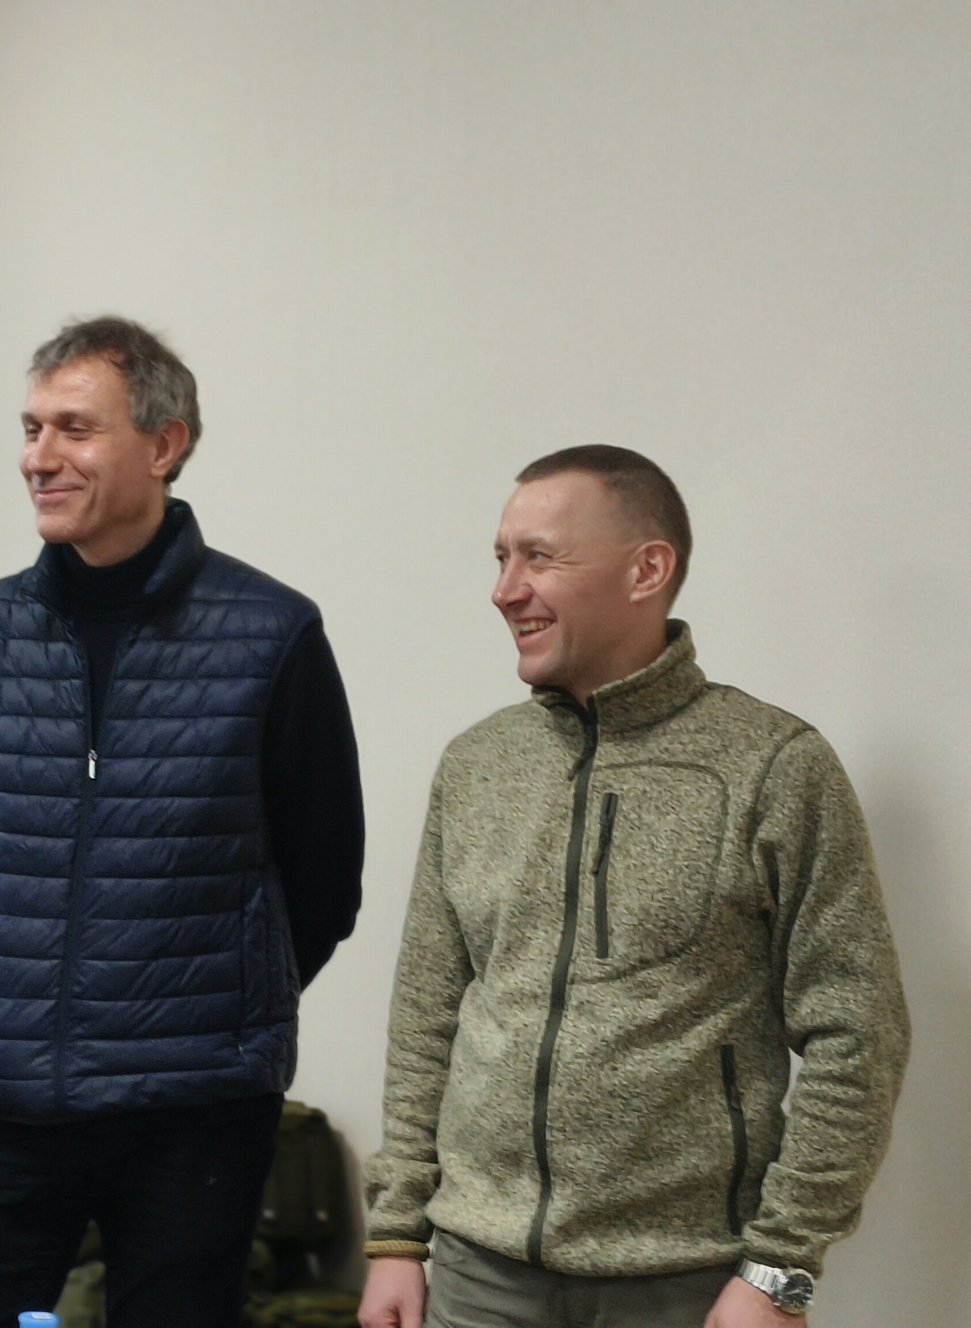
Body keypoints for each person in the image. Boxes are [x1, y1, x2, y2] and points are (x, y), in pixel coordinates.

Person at [357, 447, 909, 1328]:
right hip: (476, 1274)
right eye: (500, 558)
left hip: (687, 1282)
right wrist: (396, 1237)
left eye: (539, 556)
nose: (504, 589)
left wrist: (780, 1265)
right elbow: (428, 1015)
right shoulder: (476, 765)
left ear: (647, 570)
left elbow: (858, 1033)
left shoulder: (774, 765)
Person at [0, 317, 365, 1327]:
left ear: (164, 444)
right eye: (30, 428)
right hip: (7, 1093)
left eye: (73, 428)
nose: (38, 457)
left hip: (194, 1108)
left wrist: (211, 1007)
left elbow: (324, 877)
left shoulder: (271, 630)